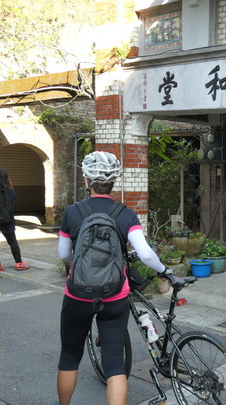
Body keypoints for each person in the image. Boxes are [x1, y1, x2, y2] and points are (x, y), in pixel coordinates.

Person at [55, 151, 170, 405]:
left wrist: (82, 267)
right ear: (113, 182)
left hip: (77, 295)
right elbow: (146, 255)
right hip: (115, 295)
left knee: (69, 357)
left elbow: (64, 253)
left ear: (87, 179)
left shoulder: (72, 212)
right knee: (115, 364)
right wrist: (164, 271)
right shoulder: (125, 214)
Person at [0, 167, 30, 273]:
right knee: (12, 241)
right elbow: (13, 201)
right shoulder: (10, 191)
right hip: (7, 220)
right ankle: (19, 263)